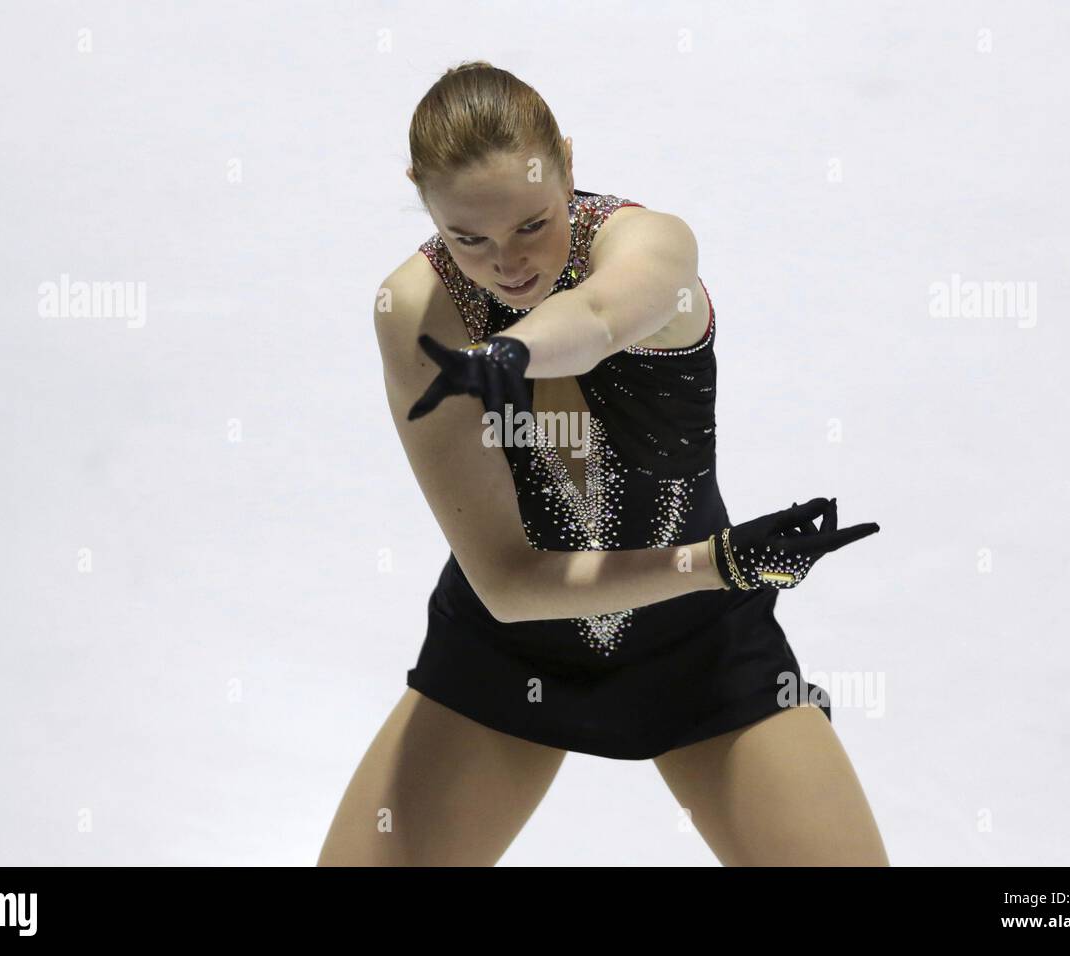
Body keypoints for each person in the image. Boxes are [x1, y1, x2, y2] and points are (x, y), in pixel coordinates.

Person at [318, 61, 888, 866]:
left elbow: (597, 313)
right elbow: (511, 587)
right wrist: (719, 561)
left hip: (699, 649)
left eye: (530, 225)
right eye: (466, 238)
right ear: (422, 198)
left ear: (568, 163)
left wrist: (510, 352)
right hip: (507, 652)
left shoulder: (651, 244)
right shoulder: (416, 308)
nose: (507, 264)